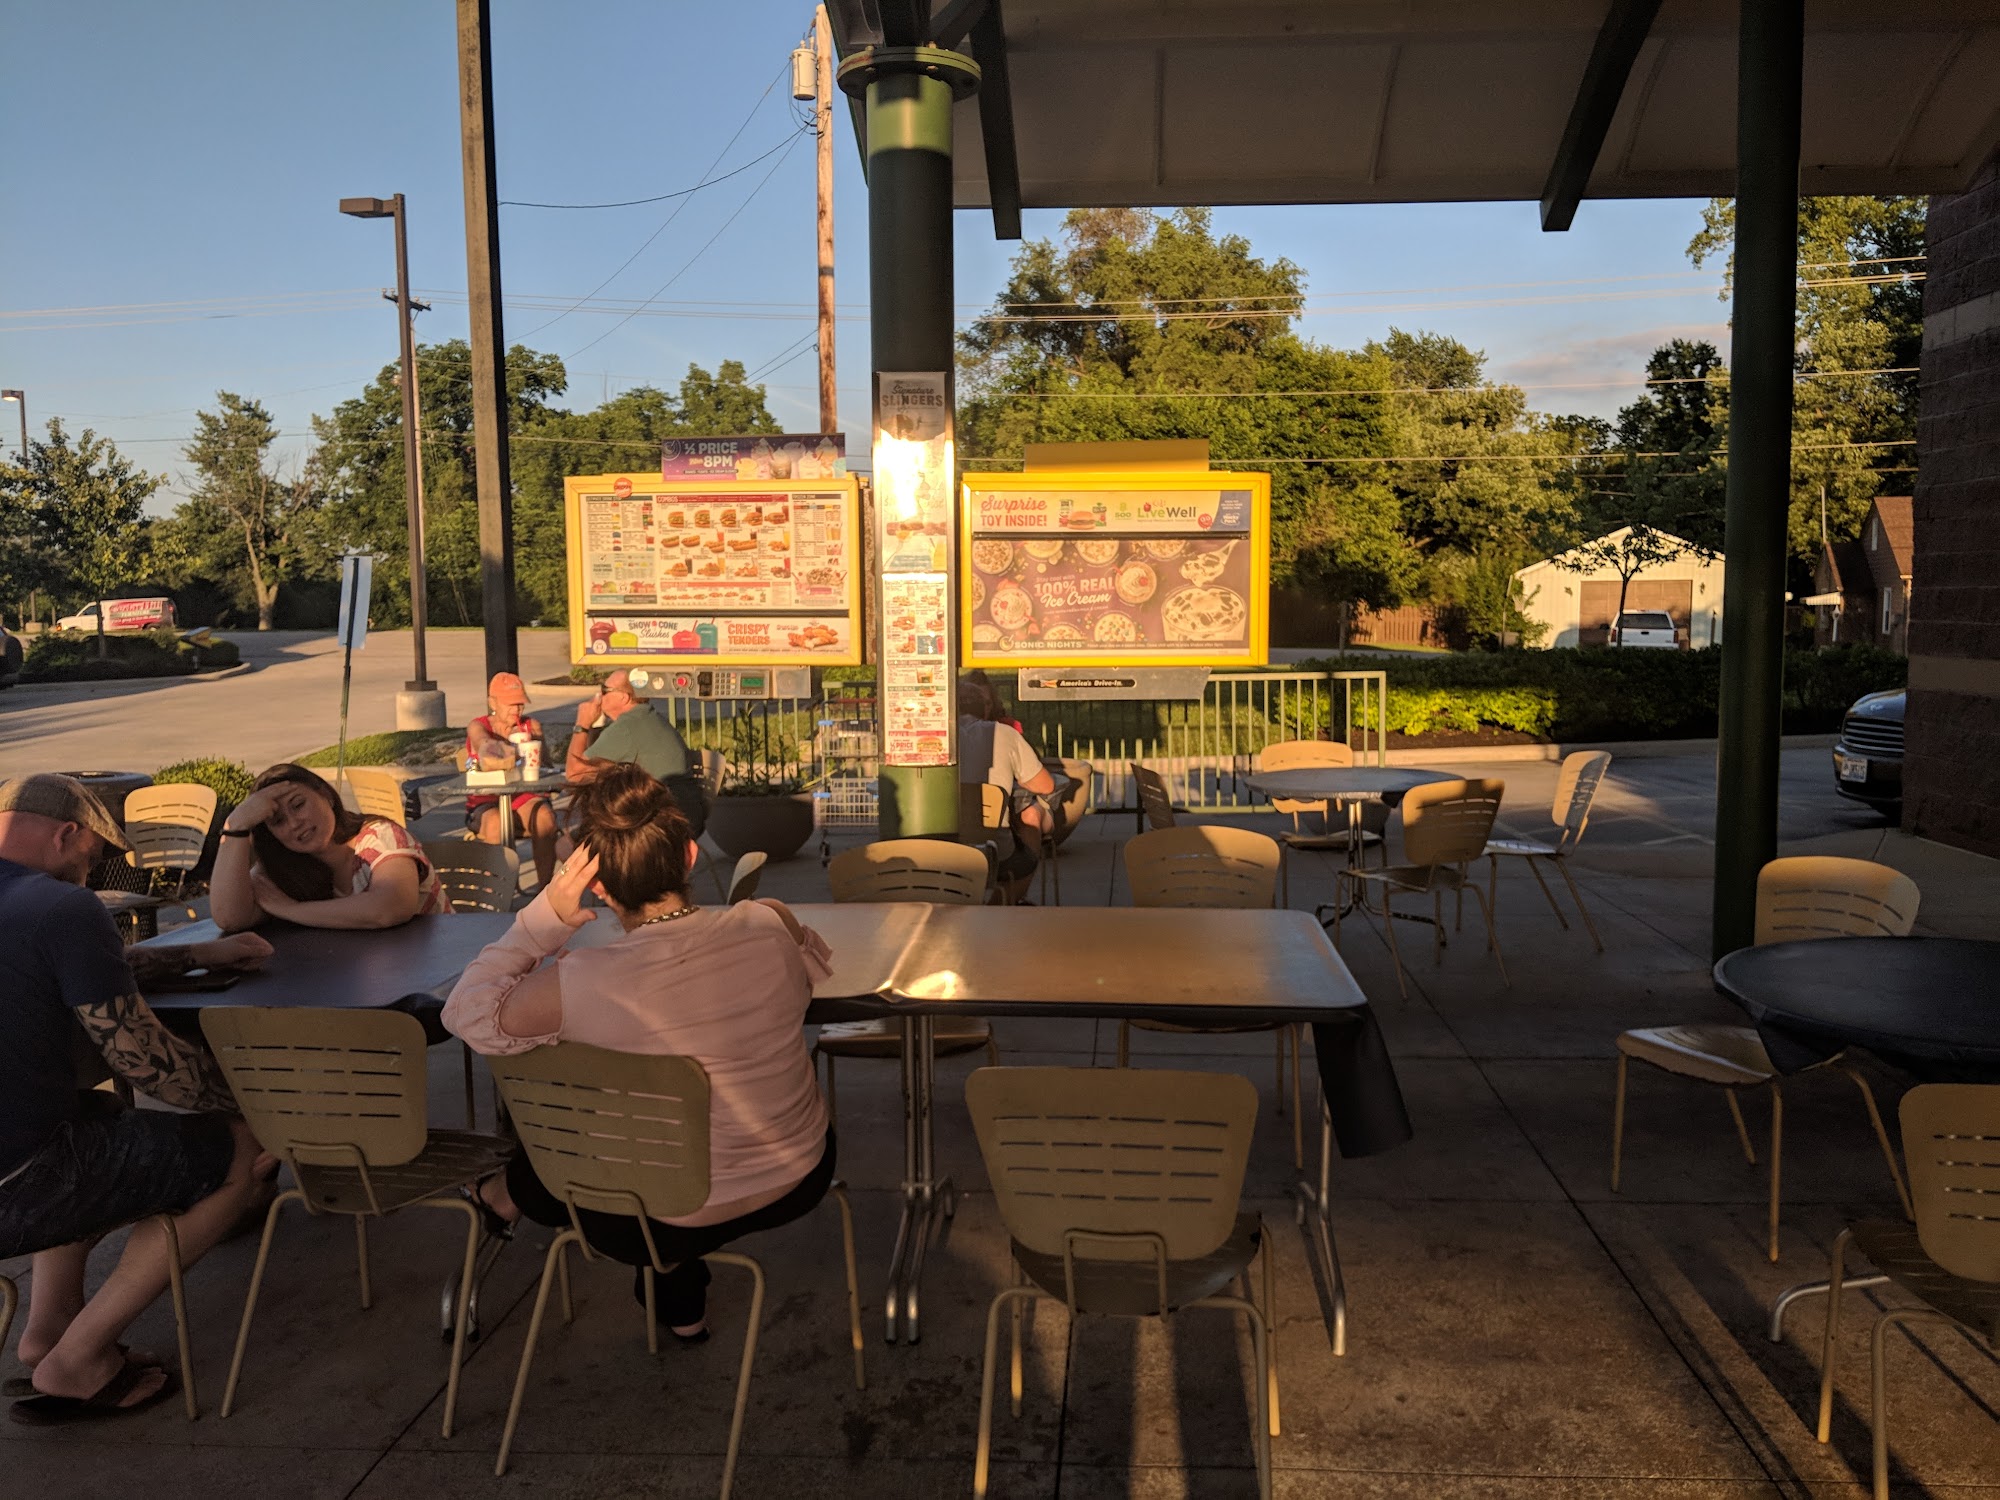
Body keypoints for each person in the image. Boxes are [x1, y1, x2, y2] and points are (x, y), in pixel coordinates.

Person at [442, 763, 832, 1340]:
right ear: (690, 857)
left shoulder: (581, 981)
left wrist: (541, 922)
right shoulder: (768, 923)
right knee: (669, 1131)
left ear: (595, 886)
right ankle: (677, 1301)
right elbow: (816, 969)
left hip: (650, 1210)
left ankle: (508, 1195)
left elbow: (465, 1015)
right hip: (796, 1177)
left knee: (585, 1132)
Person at [0, 774, 276, 1423]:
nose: (88, 875)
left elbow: (76, 968)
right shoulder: (61, 908)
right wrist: (254, 1106)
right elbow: (143, 1062)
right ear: (69, 834)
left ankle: (49, 1329)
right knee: (234, 1153)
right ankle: (79, 1362)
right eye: (92, 858)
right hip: (17, 1185)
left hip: (19, 1162)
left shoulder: (30, 911)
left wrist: (197, 954)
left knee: (96, 1120)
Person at [210, 762, 448, 932]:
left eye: (298, 805)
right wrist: (237, 826)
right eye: (278, 821)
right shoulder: (284, 865)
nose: (294, 823)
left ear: (327, 796)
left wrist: (291, 910)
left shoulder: (380, 836)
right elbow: (230, 918)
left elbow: (389, 908)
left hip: (439, 984)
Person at [565, 669, 706, 837]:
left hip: (657, 826)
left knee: (566, 844)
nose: (599, 695)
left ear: (624, 697)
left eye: (604, 690)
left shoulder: (627, 727)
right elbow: (596, 764)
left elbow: (575, 773)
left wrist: (582, 723)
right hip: (680, 815)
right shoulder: (646, 717)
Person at [957, 672, 1057, 903]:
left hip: (939, 846)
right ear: (984, 709)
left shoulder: (938, 738)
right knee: (1027, 855)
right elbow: (1046, 785)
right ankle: (1002, 907)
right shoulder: (1004, 733)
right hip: (994, 848)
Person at [465, 671, 558, 887]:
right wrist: (507, 746)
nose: (517, 709)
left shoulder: (530, 725)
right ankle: (497, 891)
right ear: (492, 702)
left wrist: (535, 744)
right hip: (485, 800)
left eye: (520, 704)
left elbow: (547, 767)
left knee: (545, 817)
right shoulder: (478, 725)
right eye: (510, 704)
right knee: (496, 823)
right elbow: (483, 744)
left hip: (521, 796)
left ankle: (545, 889)